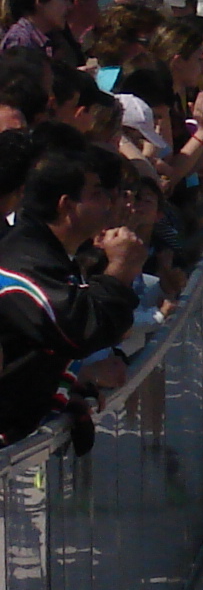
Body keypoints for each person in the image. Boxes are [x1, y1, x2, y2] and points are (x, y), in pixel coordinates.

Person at [0, 144, 142, 449]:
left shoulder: (53, 257)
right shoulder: (23, 266)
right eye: (96, 194)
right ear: (66, 205)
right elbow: (80, 331)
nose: (108, 202)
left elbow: (40, 349)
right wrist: (120, 270)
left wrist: (65, 392)